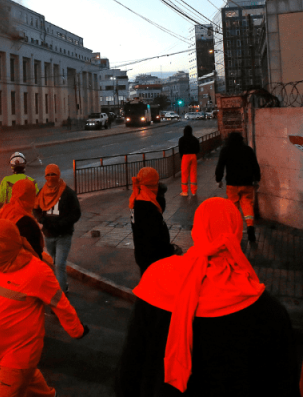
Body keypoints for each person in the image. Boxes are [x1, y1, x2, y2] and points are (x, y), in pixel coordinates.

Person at [115, 197, 299, 396]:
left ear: (196, 231)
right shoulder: (267, 310)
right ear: (237, 233)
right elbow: (283, 384)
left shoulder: (156, 281)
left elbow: (130, 369)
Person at [0, 220, 89, 397]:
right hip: (1, 349)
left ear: (6, 245)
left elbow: (61, 305)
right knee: (29, 377)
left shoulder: (38, 272)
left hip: (20, 353)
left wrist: (76, 330)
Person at [32, 164, 81, 293]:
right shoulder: (42, 192)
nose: (50, 177)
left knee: (59, 264)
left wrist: (62, 223)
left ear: (58, 175)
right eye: (48, 175)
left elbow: (76, 213)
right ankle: (62, 283)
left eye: (53, 174)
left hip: (63, 235)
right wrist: (42, 219)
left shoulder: (68, 193)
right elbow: (35, 208)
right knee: (55, 262)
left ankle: (61, 293)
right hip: (49, 235)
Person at [215, 131, 261, 242]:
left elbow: (220, 166)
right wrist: (257, 179)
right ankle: (250, 226)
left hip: (232, 184)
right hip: (247, 183)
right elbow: (255, 165)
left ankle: (235, 231)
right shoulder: (248, 150)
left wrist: (219, 179)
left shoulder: (225, 150)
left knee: (233, 208)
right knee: (247, 205)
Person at [129, 167, 176, 276]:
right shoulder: (147, 207)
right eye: (156, 182)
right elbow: (155, 236)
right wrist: (170, 251)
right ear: (151, 184)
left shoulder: (138, 198)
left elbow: (159, 210)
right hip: (153, 259)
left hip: (143, 256)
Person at [0, 152, 38, 226]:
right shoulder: (32, 181)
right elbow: (37, 202)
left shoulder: (6, 180)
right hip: (27, 219)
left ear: (12, 166)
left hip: (10, 217)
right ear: (24, 165)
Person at [0, 179, 45, 258]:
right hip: (19, 265)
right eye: (33, 195)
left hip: (2, 261)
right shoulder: (27, 223)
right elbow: (35, 253)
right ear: (28, 196)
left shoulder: (6, 210)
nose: (35, 198)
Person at [178, 125, 200, 196]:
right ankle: (194, 191)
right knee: (193, 173)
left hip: (185, 156)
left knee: (184, 174)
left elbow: (180, 149)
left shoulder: (182, 139)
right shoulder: (195, 139)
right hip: (193, 156)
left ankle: (185, 191)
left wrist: (182, 156)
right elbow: (198, 149)